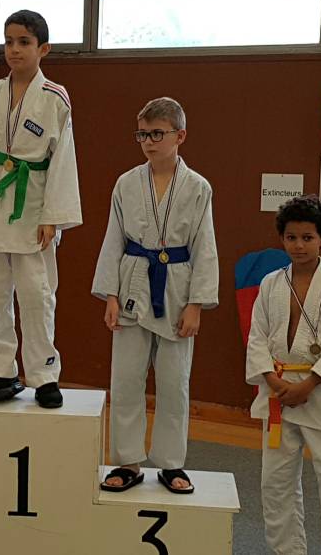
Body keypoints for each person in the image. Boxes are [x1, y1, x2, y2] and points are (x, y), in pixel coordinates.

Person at [92, 97, 218, 493]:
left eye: (157, 134)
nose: (148, 142)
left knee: (174, 383)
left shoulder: (198, 187)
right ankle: (127, 461)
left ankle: (171, 463)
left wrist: (196, 305)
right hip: (132, 282)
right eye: (143, 134)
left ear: (180, 136)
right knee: (126, 379)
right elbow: (113, 239)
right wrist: (110, 295)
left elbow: (205, 247)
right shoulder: (127, 183)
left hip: (177, 288)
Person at [0, 10, 82, 409]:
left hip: (34, 206)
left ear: (43, 49)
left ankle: (44, 375)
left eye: (24, 42)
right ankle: (1, 372)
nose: (14, 49)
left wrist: (52, 216)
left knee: (37, 294)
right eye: (9, 41)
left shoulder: (55, 97)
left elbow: (63, 161)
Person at [246, 195, 321, 554]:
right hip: (279, 392)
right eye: (291, 237)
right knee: (276, 484)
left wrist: (309, 383)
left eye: (307, 238)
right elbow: (256, 337)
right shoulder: (270, 283)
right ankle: (286, 551)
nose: (299, 245)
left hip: (320, 391)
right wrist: (271, 379)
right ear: (282, 238)